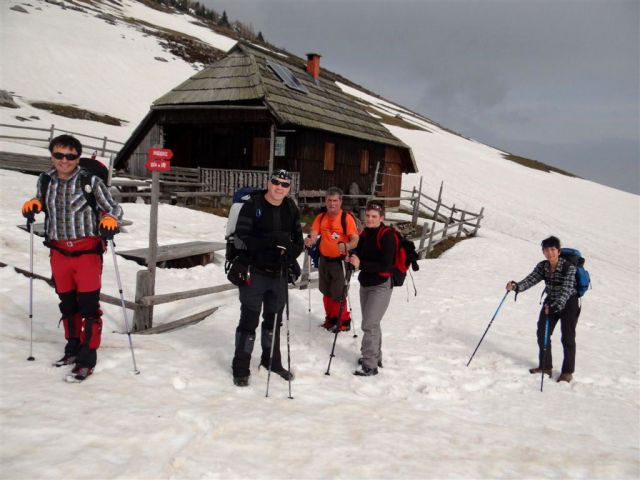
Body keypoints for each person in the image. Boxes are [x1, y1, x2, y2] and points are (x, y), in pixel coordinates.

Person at [21, 134, 123, 381]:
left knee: (88, 307)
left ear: (78, 158)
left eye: (70, 156)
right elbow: (44, 204)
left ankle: (87, 358)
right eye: (59, 155)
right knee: (67, 304)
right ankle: (72, 349)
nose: (64, 160)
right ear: (52, 156)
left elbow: (114, 207)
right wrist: (35, 204)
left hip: (86, 252)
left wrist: (110, 218)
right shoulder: (45, 180)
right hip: (58, 251)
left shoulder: (90, 181)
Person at [231, 169, 304, 387]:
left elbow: (298, 242)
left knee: (273, 322)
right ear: (268, 182)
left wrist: (288, 250)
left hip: (279, 274)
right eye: (275, 182)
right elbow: (241, 238)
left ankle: (272, 361)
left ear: (289, 188)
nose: (279, 187)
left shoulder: (291, 208)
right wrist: (272, 242)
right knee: (249, 321)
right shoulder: (252, 205)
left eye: (284, 184)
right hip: (254, 272)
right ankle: (241, 368)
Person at [506, 236, 579, 383]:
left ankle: (567, 372)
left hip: (569, 303)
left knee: (567, 337)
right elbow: (531, 279)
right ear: (543, 252)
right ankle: (545, 367)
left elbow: (566, 290)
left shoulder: (568, 268)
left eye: (553, 249)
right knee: (542, 334)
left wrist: (555, 306)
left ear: (558, 251)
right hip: (550, 302)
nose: (550, 253)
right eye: (546, 250)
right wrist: (516, 286)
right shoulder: (543, 266)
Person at [347, 201, 395, 376]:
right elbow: (359, 251)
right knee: (373, 323)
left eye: (374, 216)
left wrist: (361, 264)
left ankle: (370, 365)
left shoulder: (387, 236)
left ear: (381, 218)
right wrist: (352, 256)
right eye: (367, 216)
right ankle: (375, 356)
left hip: (381, 285)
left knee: (369, 324)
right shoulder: (365, 233)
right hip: (366, 284)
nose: (370, 219)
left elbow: (386, 265)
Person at [304, 187, 359, 332]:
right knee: (325, 291)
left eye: (335, 200)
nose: (332, 203)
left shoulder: (346, 218)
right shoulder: (321, 217)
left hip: (340, 261)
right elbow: (314, 234)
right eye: (329, 200)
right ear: (325, 201)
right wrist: (310, 240)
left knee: (338, 293)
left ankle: (343, 321)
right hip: (324, 260)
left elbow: (355, 239)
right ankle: (330, 318)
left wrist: (346, 246)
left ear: (340, 202)